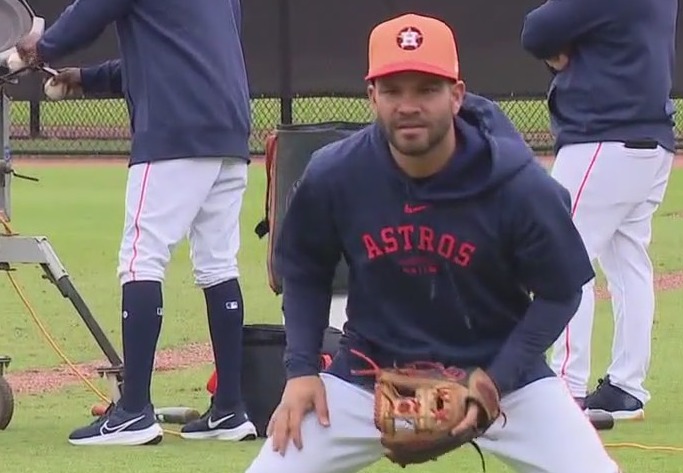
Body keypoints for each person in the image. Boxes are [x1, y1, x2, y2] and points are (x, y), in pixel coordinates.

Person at [244, 12, 620, 473]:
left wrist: (493, 384)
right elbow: (304, 268)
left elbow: (562, 291)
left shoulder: (517, 184)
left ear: (457, 95)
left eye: (426, 89)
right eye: (393, 90)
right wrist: (302, 370)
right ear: (372, 97)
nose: (408, 105)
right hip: (369, 377)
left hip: (501, 380)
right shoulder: (335, 175)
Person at [14, 0, 257, 445]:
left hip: (174, 132)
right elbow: (172, 54)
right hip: (230, 130)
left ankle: (133, 412)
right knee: (219, 264)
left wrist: (38, 48)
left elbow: (87, 16)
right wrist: (85, 79)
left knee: (141, 260)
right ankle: (229, 410)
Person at [520, 0, 679, 420]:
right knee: (628, 264)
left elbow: (536, 29)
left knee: (563, 258)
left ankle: (566, 388)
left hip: (604, 136)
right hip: (650, 138)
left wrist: (559, 51)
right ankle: (627, 388)